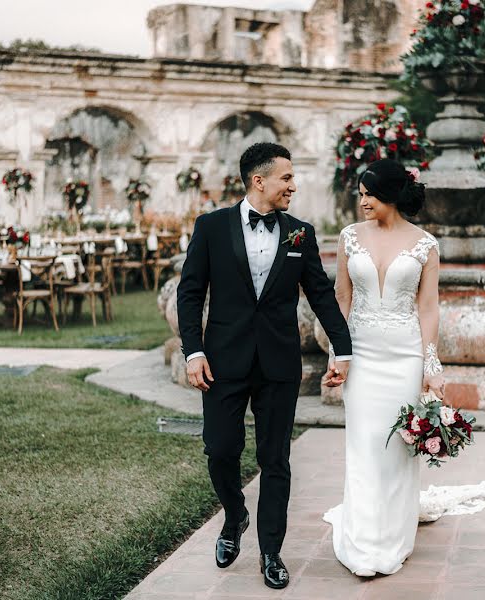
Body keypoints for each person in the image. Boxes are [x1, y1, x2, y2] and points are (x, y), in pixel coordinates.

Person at [177, 142, 353, 589]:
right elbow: (190, 292)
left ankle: (271, 552)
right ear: (260, 180)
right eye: (287, 178)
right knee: (219, 449)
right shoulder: (212, 227)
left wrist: (343, 348)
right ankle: (235, 516)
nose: (294, 185)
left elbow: (320, 295)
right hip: (222, 362)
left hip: (278, 364)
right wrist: (193, 351)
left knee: (276, 459)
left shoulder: (300, 233)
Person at [322, 158, 443, 576]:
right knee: (363, 445)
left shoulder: (426, 244)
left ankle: (392, 536)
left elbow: (428, 308)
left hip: (405, 356)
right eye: (360, 195)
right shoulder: (349, 237)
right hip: (362, 354)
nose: (362, 202)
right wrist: (338, 355)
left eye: (368, 194)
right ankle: (362, 541)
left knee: (396, 448)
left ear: (390, 195)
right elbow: (341, 297)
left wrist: (431, 363)